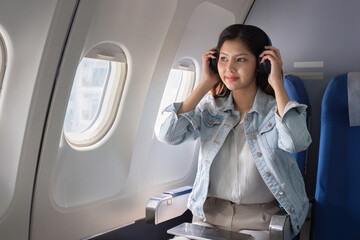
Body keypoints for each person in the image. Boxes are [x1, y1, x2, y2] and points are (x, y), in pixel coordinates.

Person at [158, 24, 311, 240]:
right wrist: (205, 84)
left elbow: (297, 143)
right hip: (208, 218)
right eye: (223, 58)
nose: (229, 68)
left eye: (240, 59)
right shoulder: (210, 109)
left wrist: (277, 83)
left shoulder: (274, 110)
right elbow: (168, 135)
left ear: (260, 64)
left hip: (260, 221)